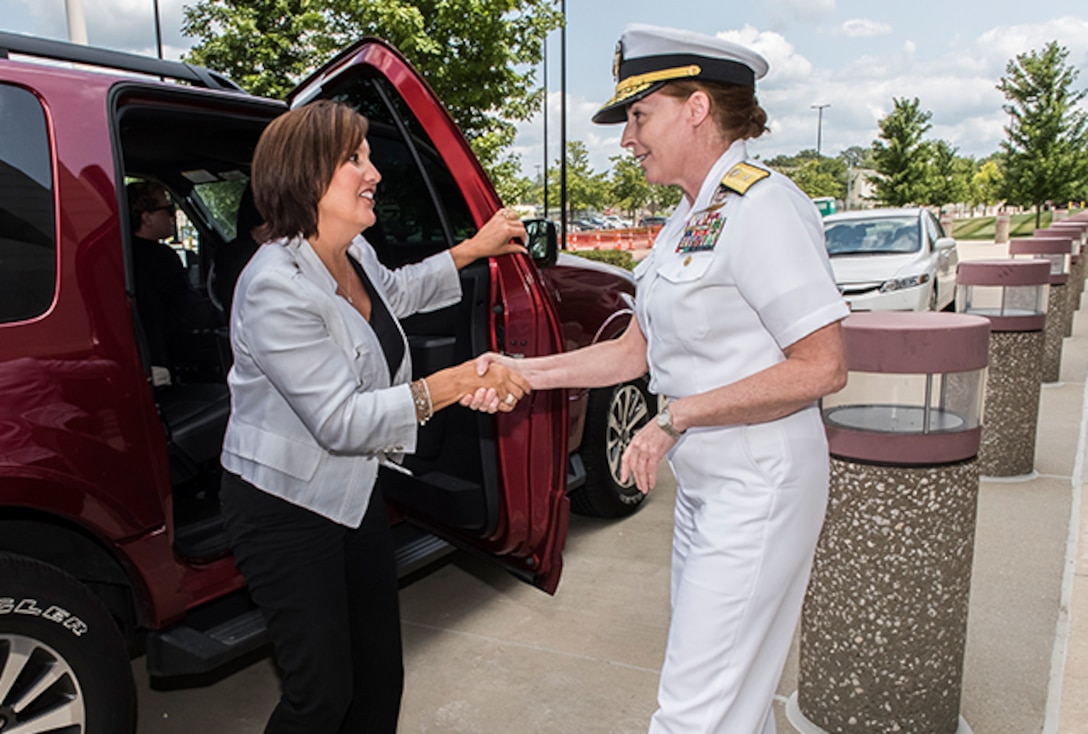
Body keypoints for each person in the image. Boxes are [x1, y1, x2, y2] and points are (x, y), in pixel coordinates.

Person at [477, 24, 849, 734]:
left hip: (760, 481)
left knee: (693, 714)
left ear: (697, 108)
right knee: (729, 702)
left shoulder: (764, 206)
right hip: (708, 483)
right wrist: (523, 371)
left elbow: (822, 365)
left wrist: (674, 418)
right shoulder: (688, 218)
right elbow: (630, 355)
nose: (627, 139)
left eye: (638, 117)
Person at [218, 99, 531, 733]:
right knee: (321, 696)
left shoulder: (351, 252)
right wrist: (453, 382)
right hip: (282, 508)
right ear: (308, 179)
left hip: (351, 494)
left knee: (379, 678)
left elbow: (397, 293)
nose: (375, 172)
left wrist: (475, 248)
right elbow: (340, 421)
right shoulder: (275, 284)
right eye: (354, 160)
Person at [127, 180, 220, 380]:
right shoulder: (160, 258)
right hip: (168, 355)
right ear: (146, 218)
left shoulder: (122, 254)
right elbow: (191, 310)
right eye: (168, 209)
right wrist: (225, 314)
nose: (173, 216)